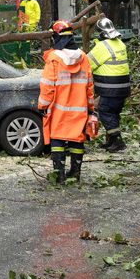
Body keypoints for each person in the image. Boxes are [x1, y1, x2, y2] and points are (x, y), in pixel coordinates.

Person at [37, 21, 95, 184]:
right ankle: (75, 174)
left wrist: (43, 106)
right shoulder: (83, 57)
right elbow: (89, 85)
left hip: (58, 109)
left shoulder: (54, 59)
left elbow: (47, 86)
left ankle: (59, 175)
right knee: (77, 139)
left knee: (58, 139)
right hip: (80, 108)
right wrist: (90, 108)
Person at [88, 17, 130, 152]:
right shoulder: (120, 43)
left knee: (105, 111)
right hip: (123, 88)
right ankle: (111, 140)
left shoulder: (102, 47)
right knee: (114, 113)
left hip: (109, 88)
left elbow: (87, 65)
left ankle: (117, 140)